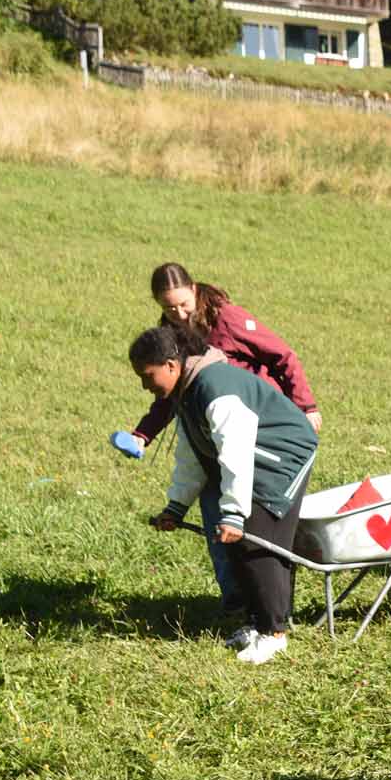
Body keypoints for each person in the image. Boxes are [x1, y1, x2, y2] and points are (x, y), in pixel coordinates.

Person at [127, 263, 322, 624]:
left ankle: (271, 625)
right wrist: (174, 500)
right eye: (168, 308)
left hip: (262, 436)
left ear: (194, 290)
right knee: (222, 527)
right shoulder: (175, 351)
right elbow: (184, 433)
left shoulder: (226, 323)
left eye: (183, 304)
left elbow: (282, 356)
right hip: (216, 434)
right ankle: (240, 607)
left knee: (250, 532)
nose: (178, 314)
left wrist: (305, 405)